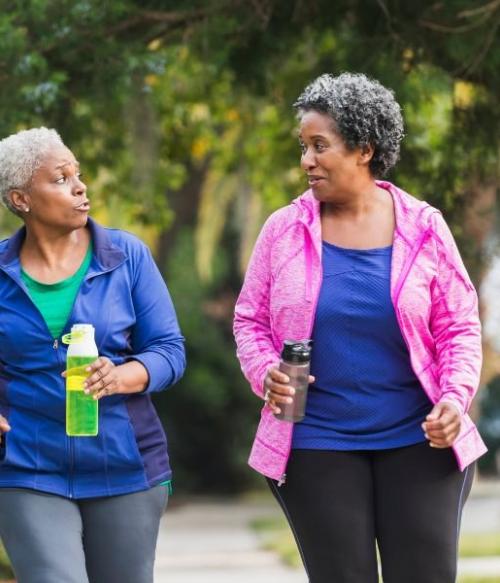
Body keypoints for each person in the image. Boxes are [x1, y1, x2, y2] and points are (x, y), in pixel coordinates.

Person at [233, 73, 486, 583]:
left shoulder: (424, 226)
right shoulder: (283, 231)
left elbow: (460, 326)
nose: (307, 160)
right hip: (317, 441)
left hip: (420, 442)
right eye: (303, 147)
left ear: (364, 150)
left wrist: (455, 400)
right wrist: (266, 372)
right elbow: (249, 319)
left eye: (320, 146)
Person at [0, 127, 186, 583]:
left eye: (77, 174)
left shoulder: (127, 256)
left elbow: (169, 350)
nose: (80, 187)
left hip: (125, 465)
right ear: (21, 199)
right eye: (60, 179)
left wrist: (124, 376)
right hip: (27, 466)